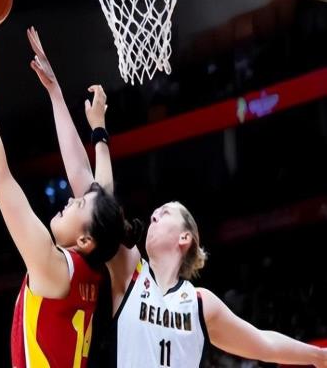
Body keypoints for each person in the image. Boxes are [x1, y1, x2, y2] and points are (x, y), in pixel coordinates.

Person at [26, 27, 327, 367]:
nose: (154, 214)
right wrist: (57, 95)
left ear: (185, 237)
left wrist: (319, 356)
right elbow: (86, 186)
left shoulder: (200, 304)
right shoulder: (130, 272)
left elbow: (264, 343)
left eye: (166, 213)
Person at [0, 17, 132, 368]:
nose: (71, 199)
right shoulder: (93, 269)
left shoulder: (54, 265)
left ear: (85, 240)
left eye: (78, 204)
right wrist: (63, 99)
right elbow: (95, 186)